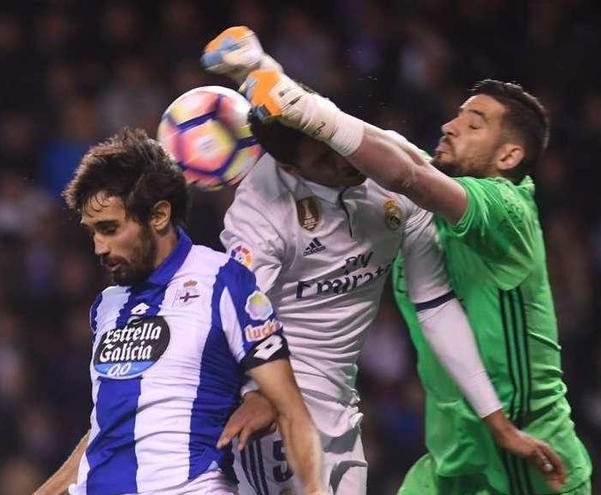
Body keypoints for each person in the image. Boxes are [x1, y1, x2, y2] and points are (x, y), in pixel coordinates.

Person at [202, 27, 566, 495]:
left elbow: (433, 304)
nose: (344, 160)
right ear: (292, 169)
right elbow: (239, 316)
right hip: (278, 405)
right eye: (323, 157)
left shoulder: (381, 165)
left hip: (342, 408)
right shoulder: (259, 208)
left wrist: (495, 420)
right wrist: (256, 393)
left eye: (336, 139)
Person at [33, 128, 327, 495]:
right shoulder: (107, 306)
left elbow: (290, 408)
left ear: (158, 215)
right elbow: (110, 429)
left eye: (109, 229)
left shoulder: (224, 282)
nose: (99, 247)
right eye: (92, 232)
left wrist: (313, 487)